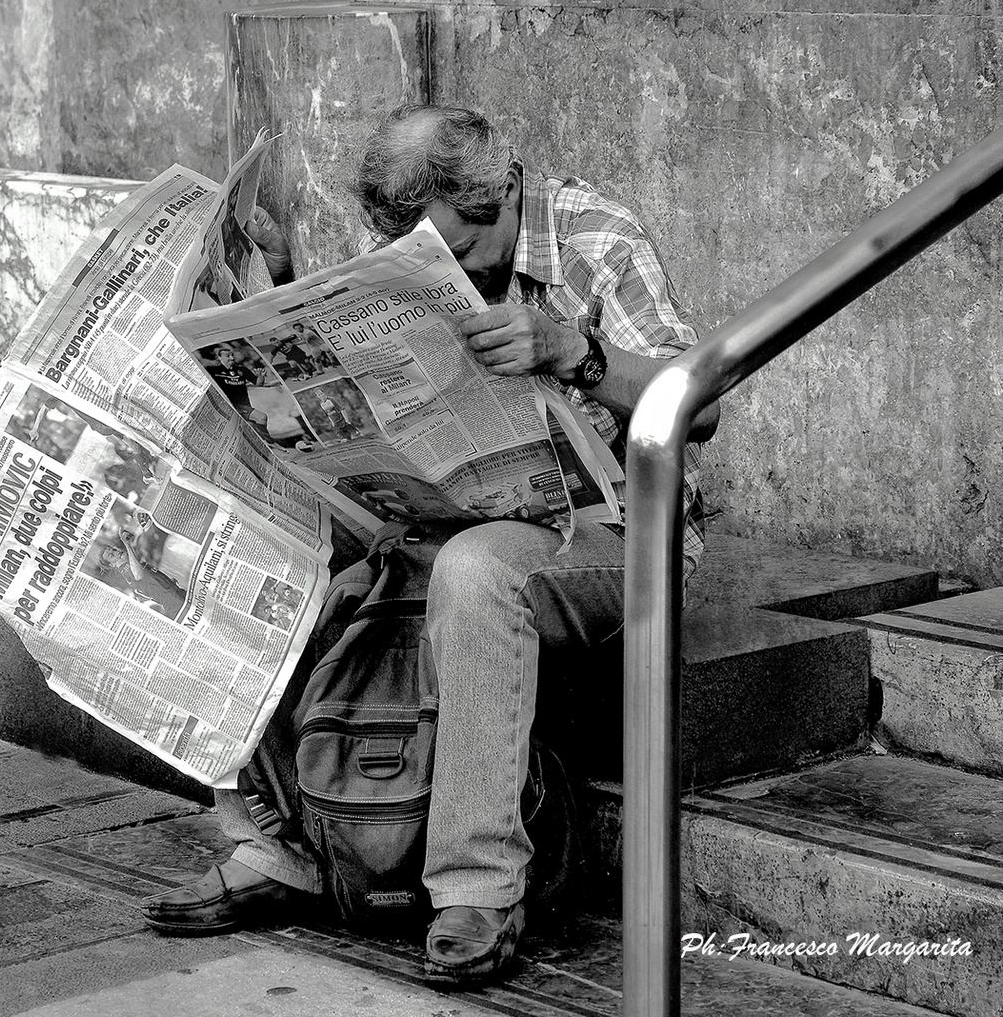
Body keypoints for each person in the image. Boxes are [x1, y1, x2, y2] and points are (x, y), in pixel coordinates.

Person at [143, 103, 719, 986]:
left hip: (609, 531)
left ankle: (478, 887)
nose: (445, 268)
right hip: (444, 508)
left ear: (505, 196)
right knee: (248, 538)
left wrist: (576, 353)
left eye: (458, 249)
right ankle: (273, 850)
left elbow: (702, 406)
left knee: (478, 568)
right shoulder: (413, 253)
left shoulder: (595, 236)